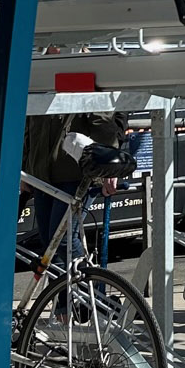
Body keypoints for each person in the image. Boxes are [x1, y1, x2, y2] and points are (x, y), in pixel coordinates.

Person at [19, 110, 132, 263]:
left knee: (62, 240)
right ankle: (62, 287)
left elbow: (103, 124)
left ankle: (86, 283)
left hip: (75, 173)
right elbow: (28, 127)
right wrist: (25, 167)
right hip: (41, 173)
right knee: (49, 243)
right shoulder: (39, 86)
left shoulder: (81, 88)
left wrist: (108, 168)